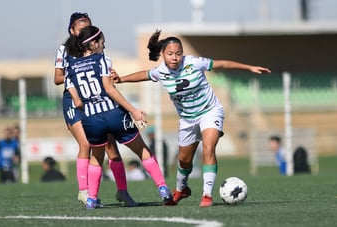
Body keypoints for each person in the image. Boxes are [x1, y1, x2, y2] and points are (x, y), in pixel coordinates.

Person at [116, 29, 271, 207]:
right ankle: (181, 189)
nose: (175, 57)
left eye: (178, 53)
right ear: (163, 55)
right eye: (170, 54)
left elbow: (221, 64)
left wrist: (249, 67)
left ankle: (207, 195)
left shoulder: (194, 63)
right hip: (187, 120)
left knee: (208, 148)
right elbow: (144, 74)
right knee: (184, 160)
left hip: (210, 111)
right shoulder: (160, 72)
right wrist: (121, 79)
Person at [65, 25, 175, 209]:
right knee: (142, 151)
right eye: (102, 43)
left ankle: (91, 199)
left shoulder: (71, 66)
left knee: (97, 158)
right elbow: (109, 89)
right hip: (114, 114)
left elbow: (76, 101)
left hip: (91, 119)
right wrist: (133, 110)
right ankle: (163, 189)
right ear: (92, 43)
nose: (103, 46)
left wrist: (91, 106)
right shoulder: (102, 59)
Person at [54, 12, 136, 207]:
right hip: (74, 101)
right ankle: (84, 192)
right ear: (72, 30)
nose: (84, 32)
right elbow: (57, 78)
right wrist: (74, 80)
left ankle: (123, 191)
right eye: (80, 29)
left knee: (111, 147)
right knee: (86, 144)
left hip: (98, 100)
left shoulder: (96, 49)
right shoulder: (65, 50)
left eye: (87, 28)